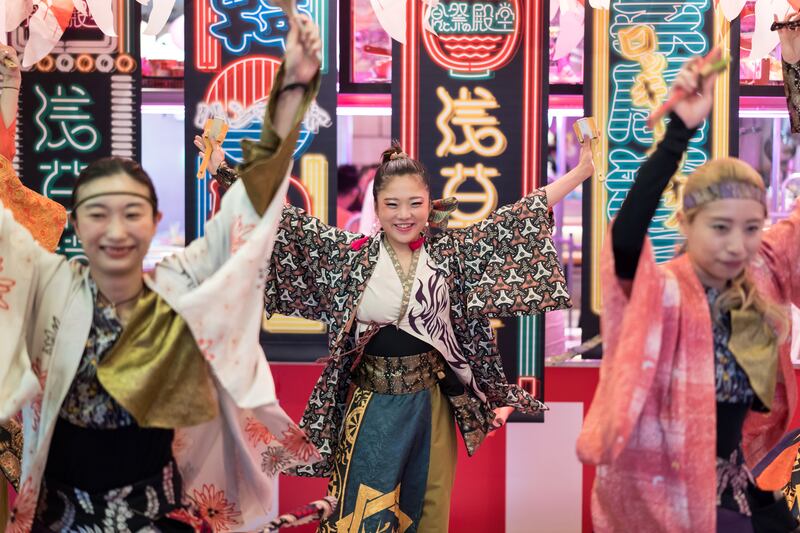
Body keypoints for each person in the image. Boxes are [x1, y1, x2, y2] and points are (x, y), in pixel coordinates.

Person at [0, 15, 324, 532]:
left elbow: (251, 203)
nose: (115, 229)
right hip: (59, 520)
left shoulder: (180, 287)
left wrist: (292, 92)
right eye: (98, 213)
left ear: (154, 223)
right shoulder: (46, 287)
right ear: (76, 222)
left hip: (154, 516)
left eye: (131, 213)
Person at [210, 134, 594, 530]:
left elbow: (518, 216)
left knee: (426, 510)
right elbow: (281, 215)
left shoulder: (450, 254)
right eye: (392, 204)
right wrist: (223, 169)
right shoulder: (350, 255)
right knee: (361, 513)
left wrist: (582, 171)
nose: (404, 215)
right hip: (371, 402)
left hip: (431, 404)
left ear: (429, 203)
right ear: (375, 207)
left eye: (415, 203)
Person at [577, 55, 799, 532]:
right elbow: (626, 239)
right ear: (687, 223)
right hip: (663, 498)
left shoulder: (760, 272)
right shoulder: (666, 292)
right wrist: (679, 132)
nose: (736, 244)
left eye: (751, 228)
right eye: (720, 228)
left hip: (741, 492)